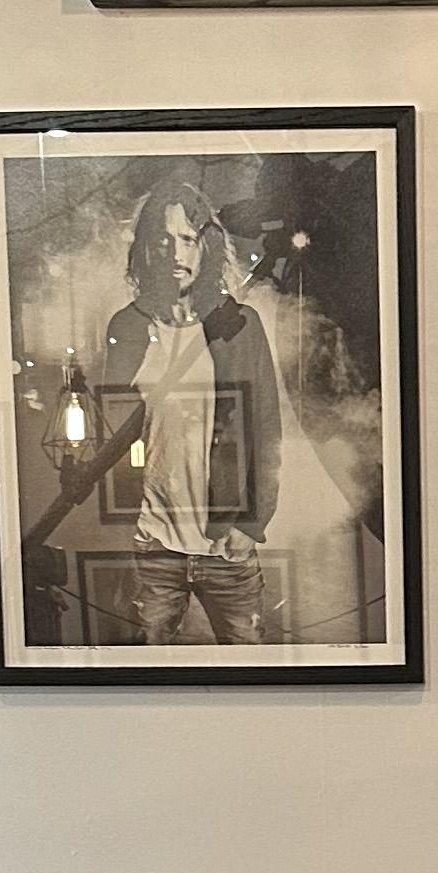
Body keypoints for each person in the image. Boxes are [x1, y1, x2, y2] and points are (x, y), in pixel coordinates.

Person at [83, 187, 282, 645]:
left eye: (189, 238)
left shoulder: (239, 326)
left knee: (253, 677)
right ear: (147, 248)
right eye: (164, 238)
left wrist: (251, 525)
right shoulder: (127, 328)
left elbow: (267, 431)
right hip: (154, 544)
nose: (176, 251)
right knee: (147, 679)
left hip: (225, 544)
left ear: (205, 246)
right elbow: (113, 428)